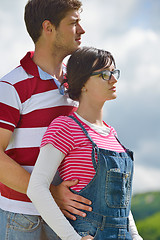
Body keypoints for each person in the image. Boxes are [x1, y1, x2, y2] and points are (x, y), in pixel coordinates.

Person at [27, 47, 143, 240]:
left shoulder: (111, 133)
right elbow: (37, 187)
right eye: (105, 74)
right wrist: (71, 238)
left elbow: (121, 199)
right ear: (83, 84)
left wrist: (136, 235)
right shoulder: (65, 127)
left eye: (114, 73)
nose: (114, 79)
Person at [0, 0, 93, 239]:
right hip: (23, 217)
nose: (81, 30)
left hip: (68, 217)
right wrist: (51, 193)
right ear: (48, 28)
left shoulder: (78, 85)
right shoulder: (12, 85)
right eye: (73, 23)